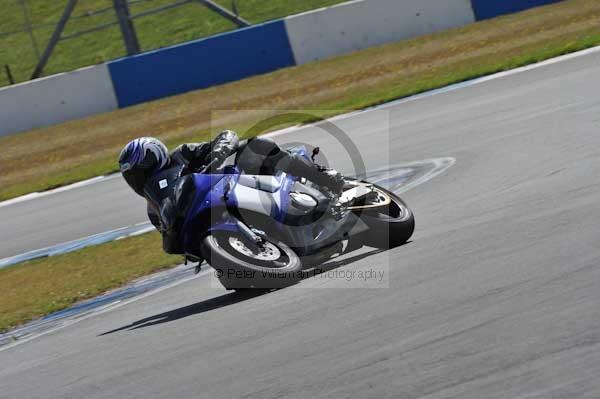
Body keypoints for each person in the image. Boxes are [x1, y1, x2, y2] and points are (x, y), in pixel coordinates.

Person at [118, 130, 344, 254]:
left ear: (156, 154)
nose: (139, 176)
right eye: (132, 175)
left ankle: (324, 177)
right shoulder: (154, 209)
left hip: (232, 181)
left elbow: (225, 136)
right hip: (211, 212)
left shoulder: (182, 154)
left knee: (258, 146)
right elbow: (171, 233)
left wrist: (219, 149)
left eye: (142, 167)